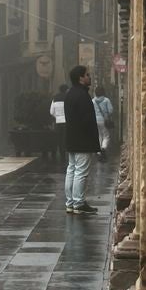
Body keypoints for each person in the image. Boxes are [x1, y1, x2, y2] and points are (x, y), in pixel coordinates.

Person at [63, 64, 101, 214]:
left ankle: (70, 202)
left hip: (72, 138)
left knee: (71, 170)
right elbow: (87, 120)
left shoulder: (69, 94)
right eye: (87, 75)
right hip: (82, 140)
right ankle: (78, 203)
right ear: (80, 78)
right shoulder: (83, 96)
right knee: (81, 172)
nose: (89, 77)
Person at [49, 82, 69, 171]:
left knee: (58, 138)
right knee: (65, 138)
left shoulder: (55, 98)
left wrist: (57, 116)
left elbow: (51, 112)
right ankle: (64, 155)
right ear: (66, 90)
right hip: (66, 122)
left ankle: (57, 153)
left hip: (58, 121)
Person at [93, 88, 114, 155]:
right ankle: (103, 148)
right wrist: (107, 114)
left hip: (95, 120)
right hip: (103, 120)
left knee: (99, 135)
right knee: (106, 135)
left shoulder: (92, 101)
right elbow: (111, 110)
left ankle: (98, 151)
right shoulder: (106, 100)